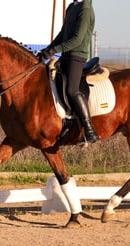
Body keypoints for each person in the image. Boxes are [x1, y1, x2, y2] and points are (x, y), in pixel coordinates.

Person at [39, 0, 99, 143]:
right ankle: (66, 120)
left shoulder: (86, 9)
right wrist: (49, 48)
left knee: (72, 90)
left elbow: (77, 39)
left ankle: (90, 130)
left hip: (77, 55)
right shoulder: (72, 7)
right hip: (66, 55)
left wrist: (55, 50)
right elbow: (63, 33)